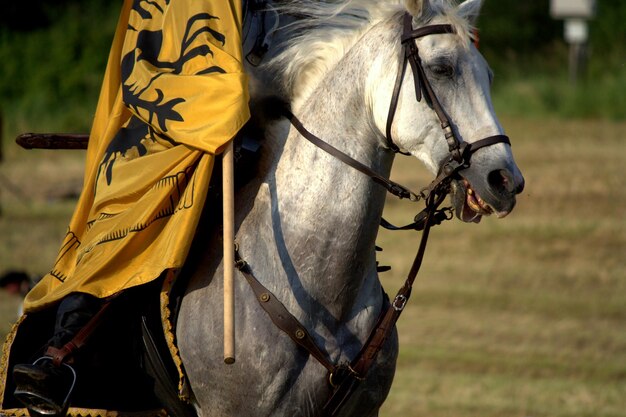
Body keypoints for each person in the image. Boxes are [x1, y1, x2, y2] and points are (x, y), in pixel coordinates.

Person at [6, 0, 250, 415]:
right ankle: (62, 357)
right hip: (163, 136)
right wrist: (218, 99)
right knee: (113, 226)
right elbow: (141, 66)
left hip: (263, 123)